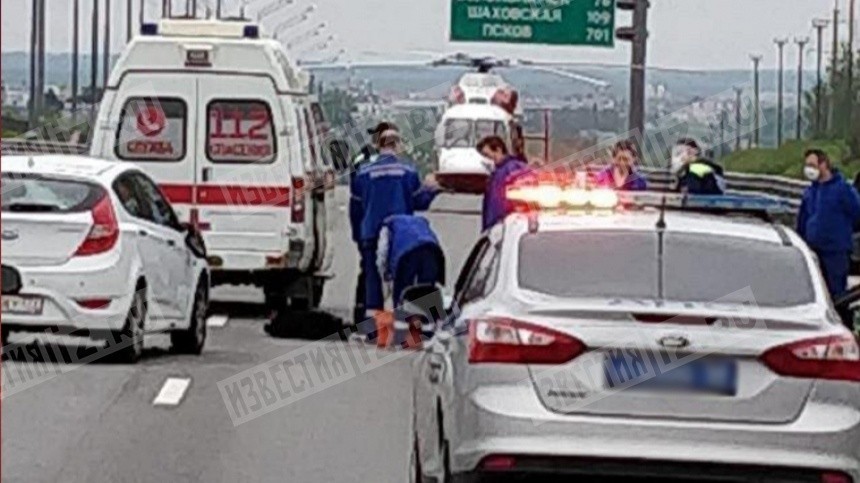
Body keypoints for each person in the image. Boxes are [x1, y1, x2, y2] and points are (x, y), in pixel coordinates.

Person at [350, 129, 441, 342]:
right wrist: (432, 189)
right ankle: (405, 330)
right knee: (403, 279)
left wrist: (358, 236)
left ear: (378, 146)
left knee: (373, 281)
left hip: (371, 232)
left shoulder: (363, 173)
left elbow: (356, 209)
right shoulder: (407, 172)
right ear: (397, 146)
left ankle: (373, 331)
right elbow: (419, 202)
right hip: (401, 235)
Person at [349, 122, 400, 327]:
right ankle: (384, 320)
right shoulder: (402, 168)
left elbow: (356, 200)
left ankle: (368, 318)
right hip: (395, 228)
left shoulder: (363, 162)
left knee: (370, 274)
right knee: (394, 273)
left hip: (369, 226)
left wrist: (358, 232)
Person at [797, 149, 860, 299]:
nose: (809, 169)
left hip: (835, 253)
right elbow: (802, 220)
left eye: (812, 165)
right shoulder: (810, 192)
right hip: (813, 250)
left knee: (836, 294)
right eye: (807, 165)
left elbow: (857, 213)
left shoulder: (842, 190)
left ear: (823, 164)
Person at [376, 214, 445, 348]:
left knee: (402, 294)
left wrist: (385, 275)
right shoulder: (422, 223)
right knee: (427, 294)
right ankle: (429, 335)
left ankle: (401, 336)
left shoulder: (387, 226)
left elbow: (382, 252)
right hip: (432, 251)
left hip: (406, 255)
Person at [477, 135, 531, 231]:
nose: (486, 159)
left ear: (498, 150)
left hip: (508, 227)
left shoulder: (513, 169)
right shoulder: (496, 172)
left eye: (487, 155)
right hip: (494, 227)